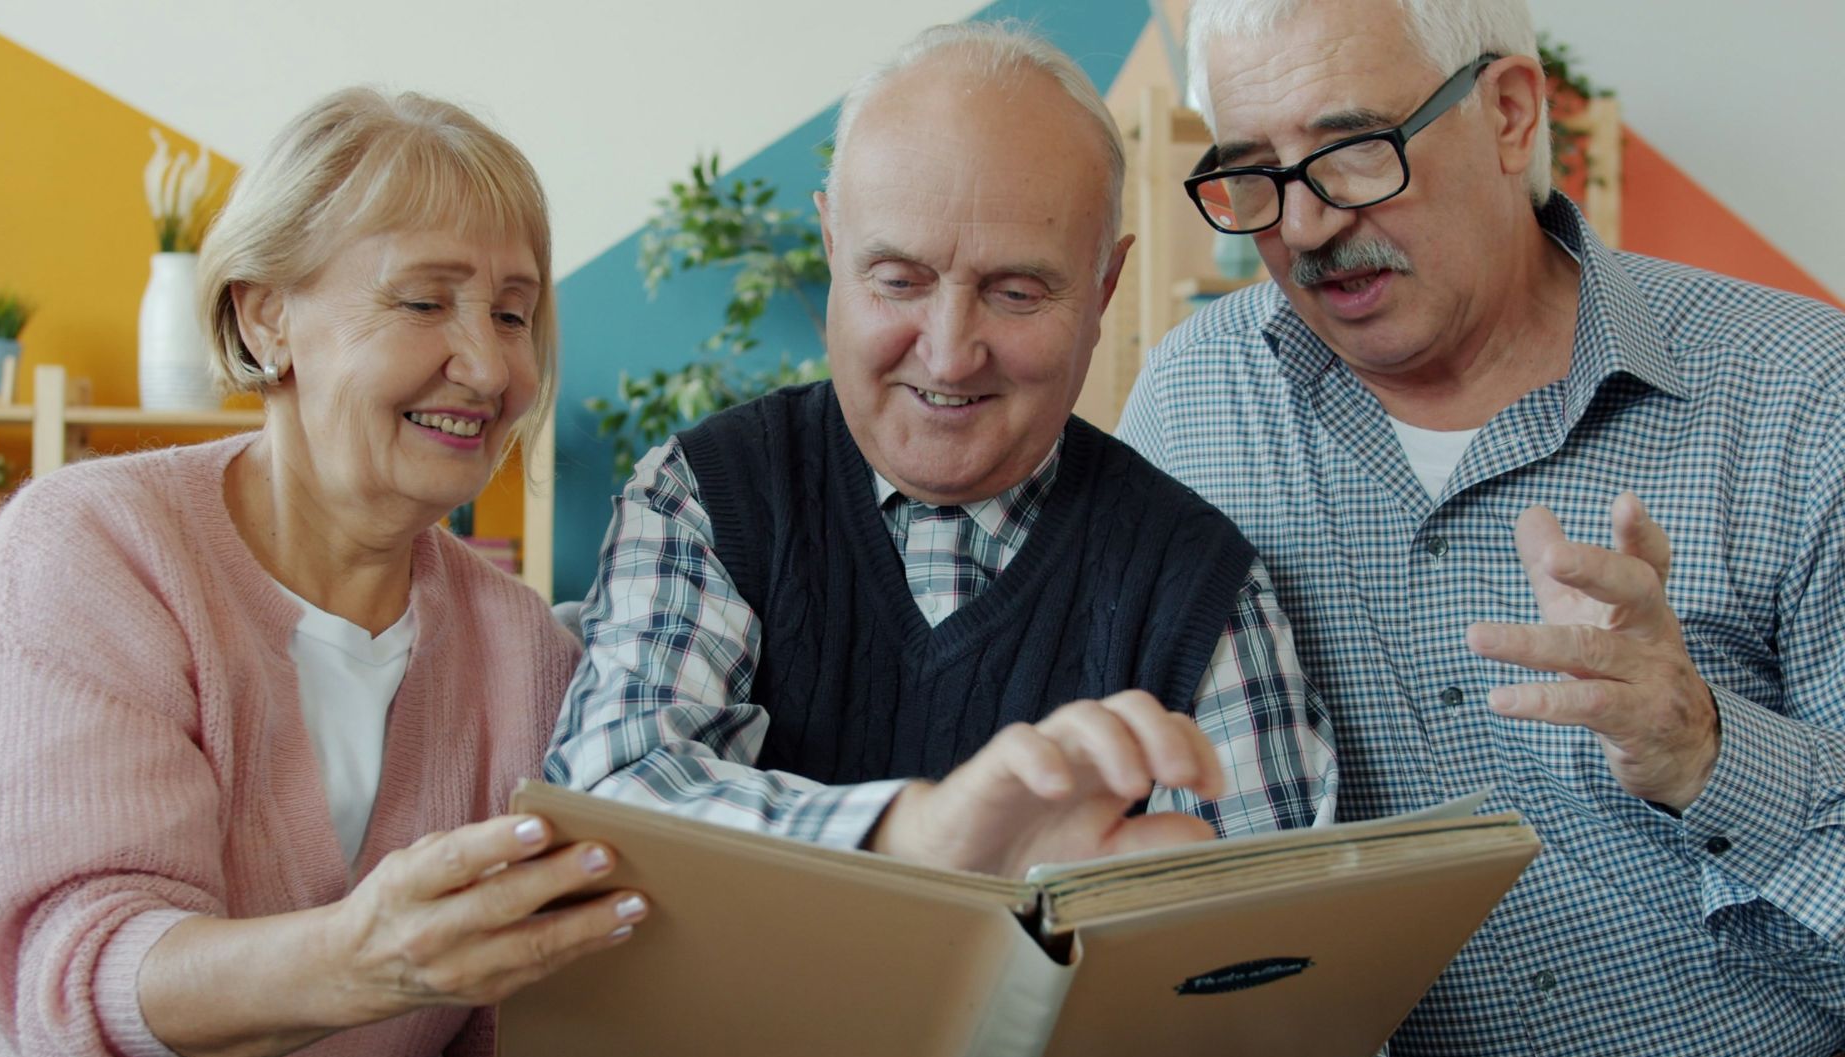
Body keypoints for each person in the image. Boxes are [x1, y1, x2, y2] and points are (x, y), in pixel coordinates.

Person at [1117, 0, 1845, 1057]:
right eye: (1253, 173)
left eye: (1353, 151)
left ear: (1509, 114)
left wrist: (1703, 752)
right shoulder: (1189, 404)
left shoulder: (1805, 395)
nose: (1305, 227)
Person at [0, 89, 646, 1057]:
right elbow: (77, 979)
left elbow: (525, 1037)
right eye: (424, 301)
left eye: (513, 313)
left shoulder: (528, 658)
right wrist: (366, 956)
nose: (487, 365)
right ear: (265, 317)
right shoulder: (91, 549)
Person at [548, 21, 1337, 879]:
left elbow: (1253, 956)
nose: (951, 353)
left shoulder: (1196, 581)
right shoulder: (703, 499)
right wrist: (911, 836)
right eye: (899, 281)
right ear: (831, 247)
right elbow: (611, 813)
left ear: (1105, 288)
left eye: (1017, 292)